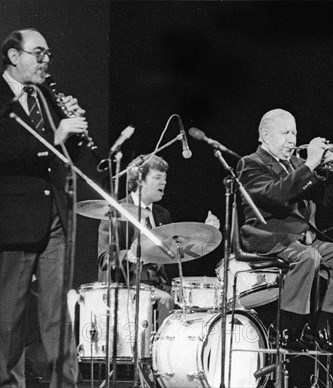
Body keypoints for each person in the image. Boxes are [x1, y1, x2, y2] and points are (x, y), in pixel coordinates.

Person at [236, 108, 333, 352]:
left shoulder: (297, 164)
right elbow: (275, 196)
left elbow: (331, 200)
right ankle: (285, 328)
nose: (293, 140)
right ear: (265, 135)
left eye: (295, 133)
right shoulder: (250, 164)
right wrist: (310, 164)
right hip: (269, 236)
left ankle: (320, 326)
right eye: (285, 132)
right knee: (309, 256)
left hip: (302, 240)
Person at [0, 28, 88, 387]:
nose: (45, 61)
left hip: (56, 218)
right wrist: (53, 136)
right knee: (10, 316)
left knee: (57, 315)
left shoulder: (47, 97)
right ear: (14, 56)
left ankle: (64, 384)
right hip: (15, 219)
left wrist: (77, 132)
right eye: (39, 53)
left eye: (49, 54)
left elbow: (71, 159)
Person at [97, 154, 220, 328]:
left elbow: (176, 253)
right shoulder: (117, 212)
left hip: (161, 284)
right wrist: (129, 256)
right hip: (129, 286)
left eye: (165, 178)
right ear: (139, 180)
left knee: (199, 299)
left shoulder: (162, 214)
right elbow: (105, 259)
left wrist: (205, 233)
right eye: (157, 178)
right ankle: (156, 354)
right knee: (165, 300)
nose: (164, 183)